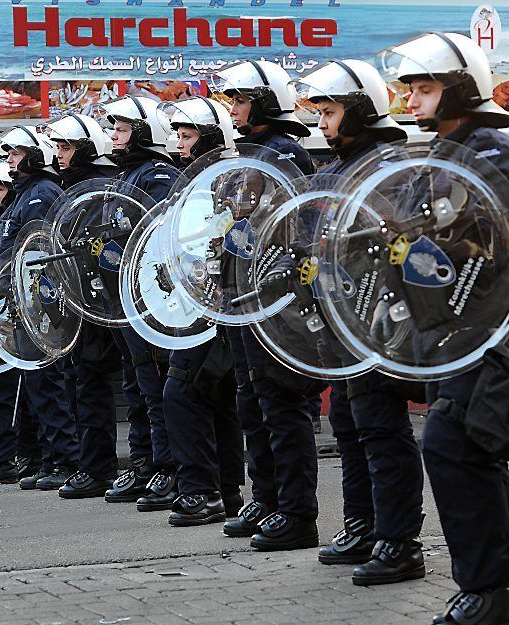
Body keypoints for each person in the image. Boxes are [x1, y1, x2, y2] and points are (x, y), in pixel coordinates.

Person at [380, 31, 509, 624]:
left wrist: (442, 222)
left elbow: (490, 237)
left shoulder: (491, 147)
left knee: (453, 446)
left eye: (425, 88)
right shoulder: (436, 156)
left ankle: (491, 589)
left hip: (486, 329)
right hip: (445, 332)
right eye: (410, 88)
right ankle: (495, 595)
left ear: (461, 89)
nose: (413, 100)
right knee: (469, 453)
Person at [289, 59, 427, 582]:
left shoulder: (391, 168)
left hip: (380, 325)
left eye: (329, 111)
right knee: (349, 424)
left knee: (381, 430)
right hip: (339, 324)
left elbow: (404, 245)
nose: (321, 123)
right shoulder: (329, 171)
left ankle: (399, 542)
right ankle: (363, 525)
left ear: (362, 111)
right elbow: (305, 238)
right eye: (318, 112)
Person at [208, 60, 324, 542]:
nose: (232, 110)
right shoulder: (249, 156)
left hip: (273, 301)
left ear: (264, 104)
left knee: (281, 405)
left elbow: (293, 229)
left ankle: (297, 514)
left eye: (239, 100)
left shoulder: (284, 154)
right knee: (252, 403)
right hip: (240, 298)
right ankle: (267, 499)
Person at [148, 96, 245, 526]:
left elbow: (225, 245)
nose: (178, 144)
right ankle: (225, 493)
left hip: (218, 308)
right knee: (214, 398)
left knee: (181, 391)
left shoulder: (228, 180)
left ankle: (201, 491)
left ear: (209, 138)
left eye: (186, 136)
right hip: (200, 305)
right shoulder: (195, 184)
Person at [0, 126, 77, 487]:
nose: (10, 161)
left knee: (48, 386)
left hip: (41, 303)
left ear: (33, 155)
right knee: (37, 388)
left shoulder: (40, 192)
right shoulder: (24, 194)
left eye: (15, 154)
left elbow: (36, 249)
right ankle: (48, 460)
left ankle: (65, 460)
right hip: (23, 301)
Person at [42, 112, 131, 499]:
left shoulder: (97, 188)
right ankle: (89, 464)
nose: (60, 154)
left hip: (100, 300)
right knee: (78, 383)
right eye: (58, 146)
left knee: (93, 384)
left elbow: (104, 245)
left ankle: (99, 468)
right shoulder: (70, 188)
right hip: (77, 300)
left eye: (66, 146)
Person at [99, 95, 183, 503]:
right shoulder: (126, 176)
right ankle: (144, 463)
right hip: (123, 302)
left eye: (122, 129)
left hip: (151, 301)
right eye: (113, 129)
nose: (114, 136)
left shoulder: (158, 174)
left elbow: (152, 235)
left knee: (155, 388)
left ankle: (169, 468)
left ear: (144, 133)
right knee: (136, 388)